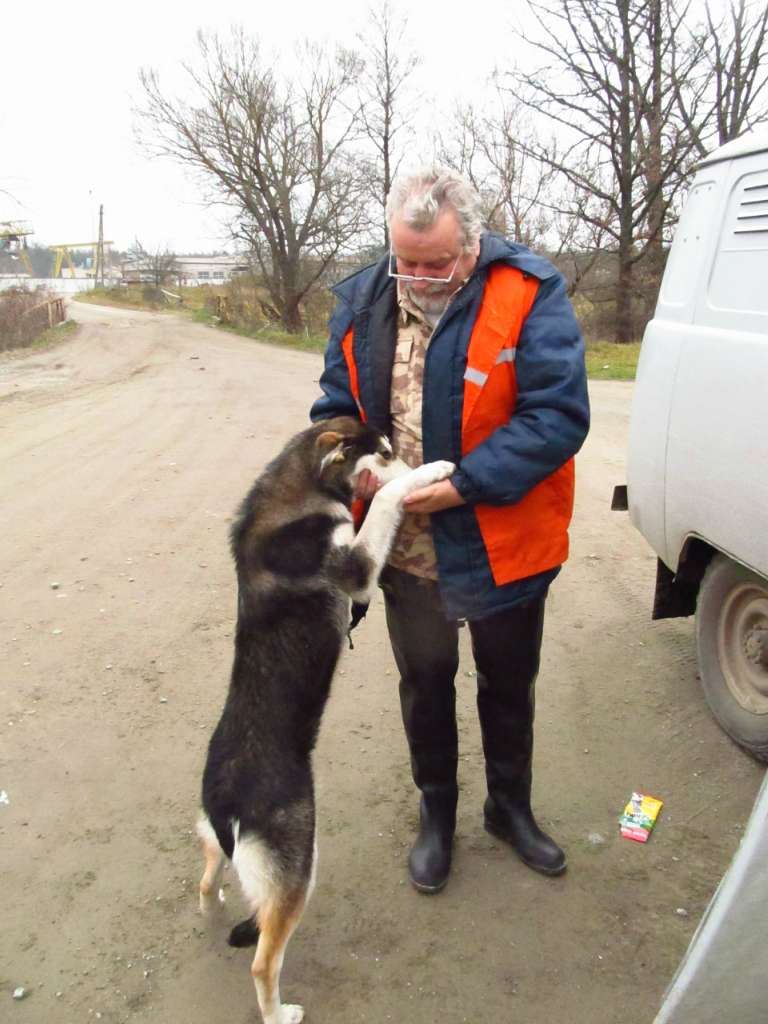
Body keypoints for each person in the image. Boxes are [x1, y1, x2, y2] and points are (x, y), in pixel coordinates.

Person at [310, 167, 590, 893]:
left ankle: (510, 809)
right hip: (403, 546)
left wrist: (461, 485)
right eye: (407, 261)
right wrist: (354, 469)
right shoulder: (364, 297)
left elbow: (556, 417)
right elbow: (335, 411)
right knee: (425, 682)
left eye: (437, 263)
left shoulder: (530, 292)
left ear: (472, 243)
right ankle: (437, 816)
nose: (421, 277)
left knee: (508, 683)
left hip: (504, 539)